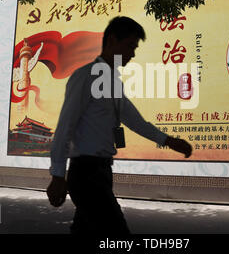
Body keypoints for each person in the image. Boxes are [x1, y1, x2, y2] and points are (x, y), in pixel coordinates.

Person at [46, 16, 193, 234]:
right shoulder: (86, 76)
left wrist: (168, 141)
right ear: (113, 40)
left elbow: (134, 120)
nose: (132, 54)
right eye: (130, 46)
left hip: (102, 171)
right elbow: (66, 125)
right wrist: (58, 175)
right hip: (86, 174)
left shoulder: (113, 82)